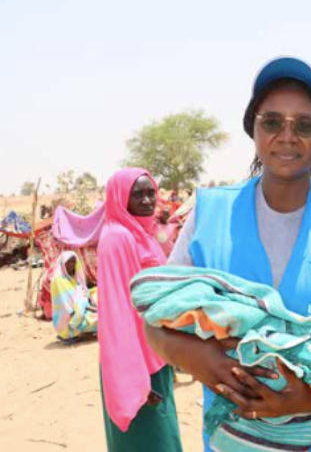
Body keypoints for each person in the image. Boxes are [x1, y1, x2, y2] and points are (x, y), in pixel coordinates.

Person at [144, 57, 311, 452]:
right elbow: (156, 323)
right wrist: (209, 364)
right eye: (272, 122)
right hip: (237, 437)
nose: (287, 136)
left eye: (305, 125)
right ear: (253, 128)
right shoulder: (209, 216)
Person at [97, 168, 183, 451]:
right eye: (137, 195)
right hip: (136, 364)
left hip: (155, 354)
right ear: (120, 198)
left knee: (163, 436)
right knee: (148, 441)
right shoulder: (117, 238)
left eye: (150, 193)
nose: (147, 201)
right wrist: (134, 380)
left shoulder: (140, 233)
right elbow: (116, 315)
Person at [50, 251, 97, 341]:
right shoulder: (58, 281)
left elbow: (82, 298)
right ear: (63, 263)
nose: (72, 264)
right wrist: (94, 309)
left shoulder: (74, 279)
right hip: (69, 322)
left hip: (80, 312)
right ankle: (72, 333)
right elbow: (70, 308)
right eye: (69, 262)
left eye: (73, 262)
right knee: (102, 319)